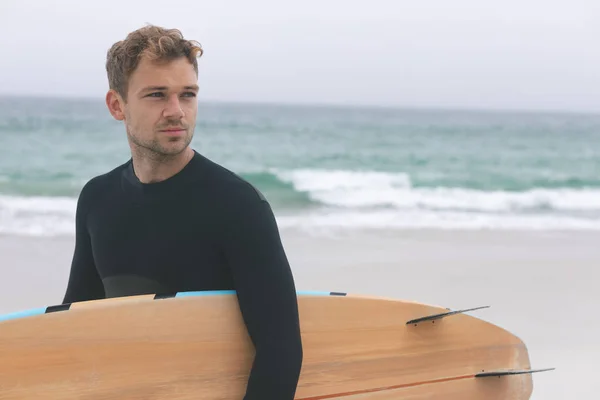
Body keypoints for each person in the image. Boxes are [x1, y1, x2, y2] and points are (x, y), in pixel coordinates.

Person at [61, 24, 303, 399]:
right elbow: (76, 329)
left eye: (187, 95)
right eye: (157, 95)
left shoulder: (238, 206)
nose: (176, 111)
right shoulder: (97, 199)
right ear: (117, 105)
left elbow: (281, 352)